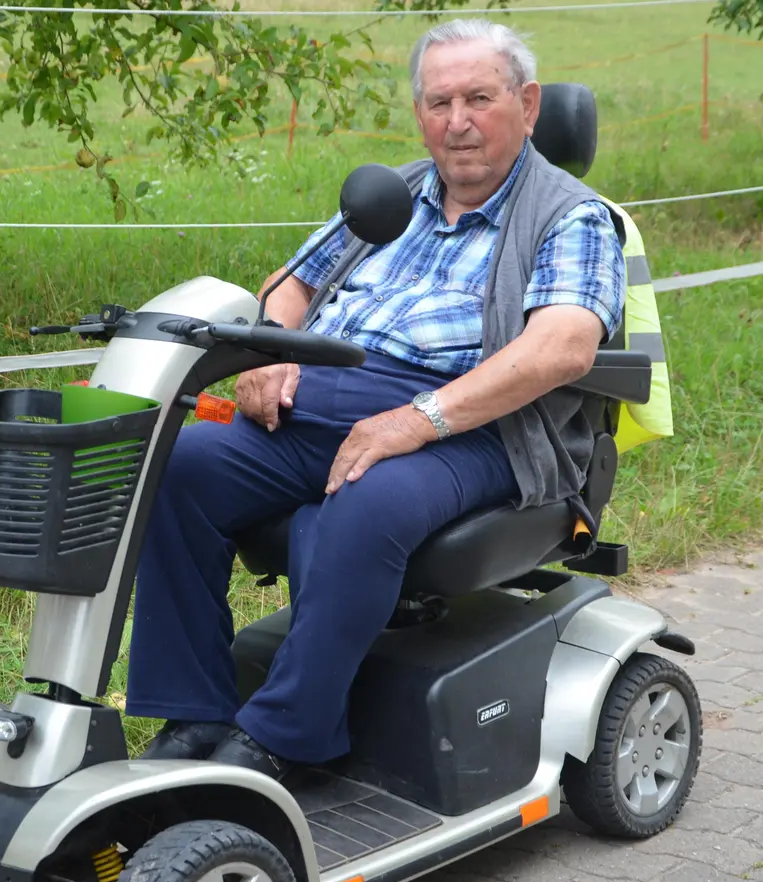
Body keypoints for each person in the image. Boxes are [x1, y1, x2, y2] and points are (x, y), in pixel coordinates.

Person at [122, 18, 627, 779]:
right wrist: (265, 352)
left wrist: (416, 420)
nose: (456, 122)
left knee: (361, 499)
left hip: (473, 426)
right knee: (179, 462)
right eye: (438, 101)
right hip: (322, 399)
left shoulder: (572, 215)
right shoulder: (393, 195)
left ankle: (284, 735)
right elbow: (290, 285)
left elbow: (562, 347)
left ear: (527, 105)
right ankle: (194, 712)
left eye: (479, 98)